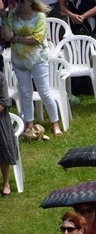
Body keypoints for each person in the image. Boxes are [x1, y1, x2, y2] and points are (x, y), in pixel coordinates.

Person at [0, 0, 63, 138]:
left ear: (30, 2)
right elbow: (7, 37)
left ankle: (55, 123)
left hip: (38, 59)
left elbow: (37, 39)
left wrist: (16, 38)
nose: (19, 3)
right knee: (25, 93)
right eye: (18, 1)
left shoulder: (39, 16)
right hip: (19, 60)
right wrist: (3, 20)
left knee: (44, 92)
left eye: (22, 1)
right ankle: (29, 124)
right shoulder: (13, 16)